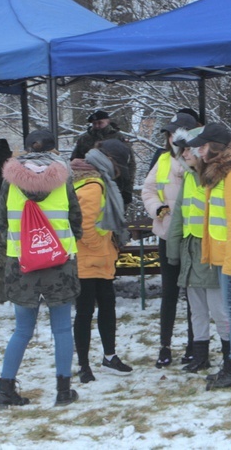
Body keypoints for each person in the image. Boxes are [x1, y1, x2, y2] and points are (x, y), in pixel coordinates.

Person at [0, 129, 83, 408]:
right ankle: (63, 391)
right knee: (61, 328)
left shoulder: (10, 181)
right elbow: (75, 217)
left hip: (21, 262)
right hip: (58, 262)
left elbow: (2, 221)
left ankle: (5, 391)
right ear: (54, 150)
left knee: (22, 329)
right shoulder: (64, 177)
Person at [186, 122, 231, 390]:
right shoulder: (221, 174)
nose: (199, 150)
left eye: (203, 146)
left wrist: (229, 263)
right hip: (225, 255)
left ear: (215, 148)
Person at [71, 139, 136, 383]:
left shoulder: (94, 179)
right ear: (110, 161)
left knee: (106, 307)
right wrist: (102, 248)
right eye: (118, 167)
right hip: (90, 259)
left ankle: (109, 356)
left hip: (99, 258)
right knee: (85, 311)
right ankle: (84, 366)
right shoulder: (93, 184)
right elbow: (84, 225)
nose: (118, 173)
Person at [167, 127, 230, 374]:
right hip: (191, 250)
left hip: (212, 249)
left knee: (218, 308)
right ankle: (200, 354)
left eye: (187, 150)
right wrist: (174, 251)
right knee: (197, 309)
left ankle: (230, 356)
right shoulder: (190, 179)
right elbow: (179, 217)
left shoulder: (217, 178)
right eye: (181, 150)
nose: (183, 154)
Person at [142, 109, 200, 368]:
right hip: (167, 233)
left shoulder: (197, 160)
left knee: (193, 294)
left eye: (174, 135)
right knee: (169, 292)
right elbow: (148, 189)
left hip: (192, 236)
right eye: (167, 135)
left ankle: (193, 344)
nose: (169, 140)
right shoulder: (163, 160)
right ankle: (165, 346)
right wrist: (157, 208)